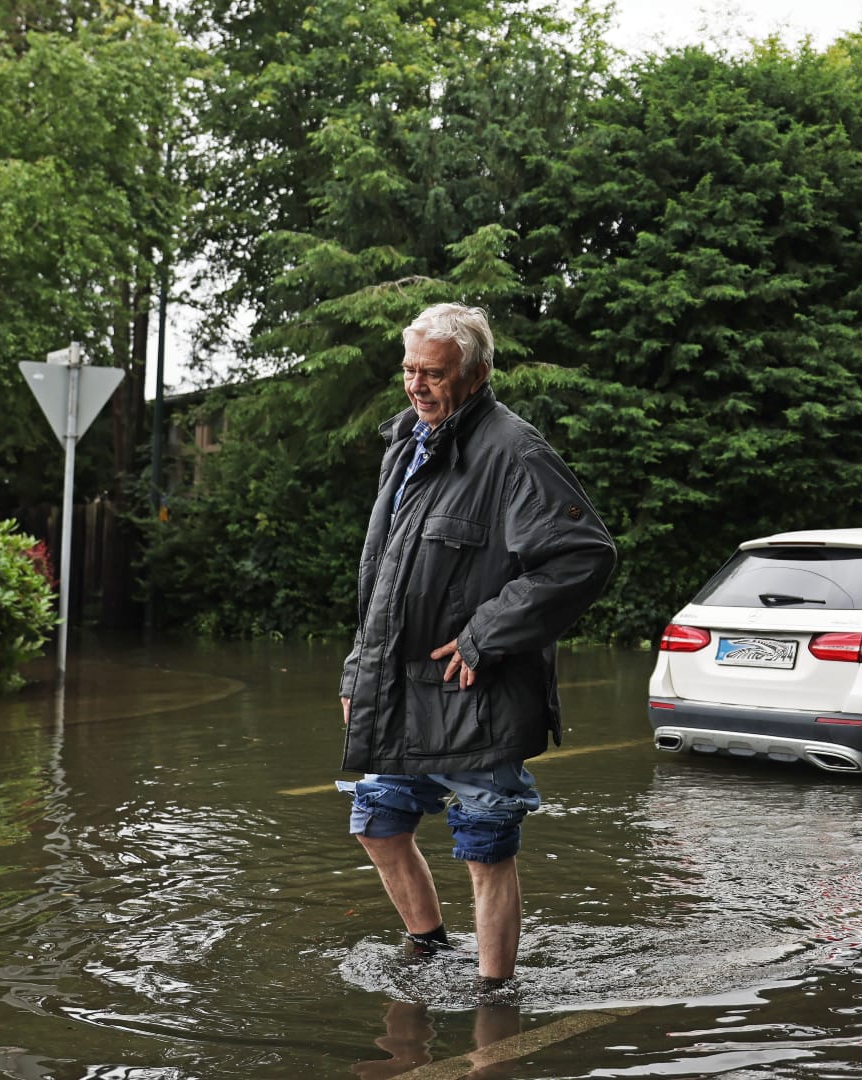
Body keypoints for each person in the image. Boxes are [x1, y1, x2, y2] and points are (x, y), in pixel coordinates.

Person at [337, 302, 615, 998]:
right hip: (397, 693)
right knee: (377, 823)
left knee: (485, 849)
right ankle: (429, 952)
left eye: (434, 373)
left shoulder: (514, 452)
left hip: (474, 694)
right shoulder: (406, 443)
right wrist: (356, 671)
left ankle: (495, 998)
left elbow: (583, 557)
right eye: (409, 370)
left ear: (478, 372)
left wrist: (485, 635)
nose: (417, 385)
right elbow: (381, 577)